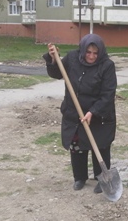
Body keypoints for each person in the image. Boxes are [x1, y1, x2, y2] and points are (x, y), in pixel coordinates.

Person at [43, 34, 117, 194]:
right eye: (88, 52)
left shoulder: (107, 66)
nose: (91, 56)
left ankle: (102, 178)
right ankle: (79, 177)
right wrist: (54, 59)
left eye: (95, 53)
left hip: (99, 115)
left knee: (100, 146)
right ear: (82, 50)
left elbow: (108, 94)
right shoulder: (72, 58)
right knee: (76, 146)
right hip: (74, 112)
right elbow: (57, 73)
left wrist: (93, 112)